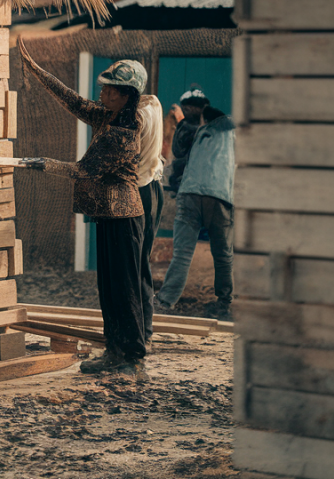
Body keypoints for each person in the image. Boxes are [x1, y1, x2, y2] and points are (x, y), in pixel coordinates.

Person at [16, 38, 148, 381]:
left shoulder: (121, 133)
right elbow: (74, 102)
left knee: (125, 289)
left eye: (109, 89)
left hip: (124, 219)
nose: (101, 92)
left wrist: (42, 164)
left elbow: (82, 170)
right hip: (108, 215)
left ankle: (133, 359)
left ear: (125, 96)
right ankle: (114, 351)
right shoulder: (109, 116)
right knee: (108, 288)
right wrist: (37, 70)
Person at [154, 105, 236, 320]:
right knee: (223, 255)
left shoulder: (199, 132)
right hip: (219, 196)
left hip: (190, 193)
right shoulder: (232, 132)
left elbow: (183, 137)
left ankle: (164, 301)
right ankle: (225, 304)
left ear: (206, 120)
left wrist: (180, 117)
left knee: (182, 254)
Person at [136, 94, 165, 348]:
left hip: (141, 190)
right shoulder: (152, 104)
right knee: (138, 263)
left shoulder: (138, 114)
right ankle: (142, 331)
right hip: (152, 186)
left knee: (136, 265)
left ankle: (142, 334)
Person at [167, 89, 208, 194]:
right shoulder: (183, 126)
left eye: (194, 106)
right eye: (186, 106)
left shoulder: (207, 128)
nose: (188, 109)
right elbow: (177, 152)